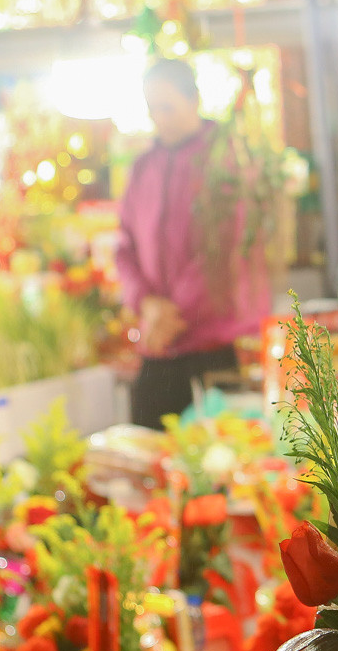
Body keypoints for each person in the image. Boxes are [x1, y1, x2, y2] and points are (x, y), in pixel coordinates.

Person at [115, 58, 271, 427]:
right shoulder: (142, 168)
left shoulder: (226, 161)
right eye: (152, 108)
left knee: (225, 450)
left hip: (215, 343)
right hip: (158, 343)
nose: (159, 118)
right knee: (149, 446)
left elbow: (226, 248)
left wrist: (172, 314)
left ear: (194, 100)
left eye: (167, 107)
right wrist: (147, 304)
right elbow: (124, 247)